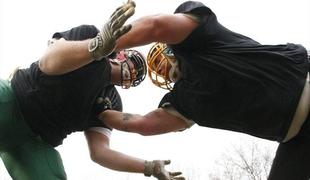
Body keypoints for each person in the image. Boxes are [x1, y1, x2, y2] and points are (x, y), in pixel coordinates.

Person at [100, 1, 310, 179]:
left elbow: (157, 25)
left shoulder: (199, 39)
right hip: (296, 137)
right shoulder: (184, 102)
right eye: (160, 69)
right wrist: (99, 111)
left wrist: (99, 48)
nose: (164, 68)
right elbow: (142, 125)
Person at [0, 1, 185, 180]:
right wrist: (95, 46)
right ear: (121, 54)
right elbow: (47, 63)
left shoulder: (112, 100)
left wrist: (149, 167)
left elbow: (100, 152)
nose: (134, 74)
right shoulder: (90, 35)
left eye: (138, 77)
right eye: (134, 65)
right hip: (12, 101)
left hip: (36, 144)